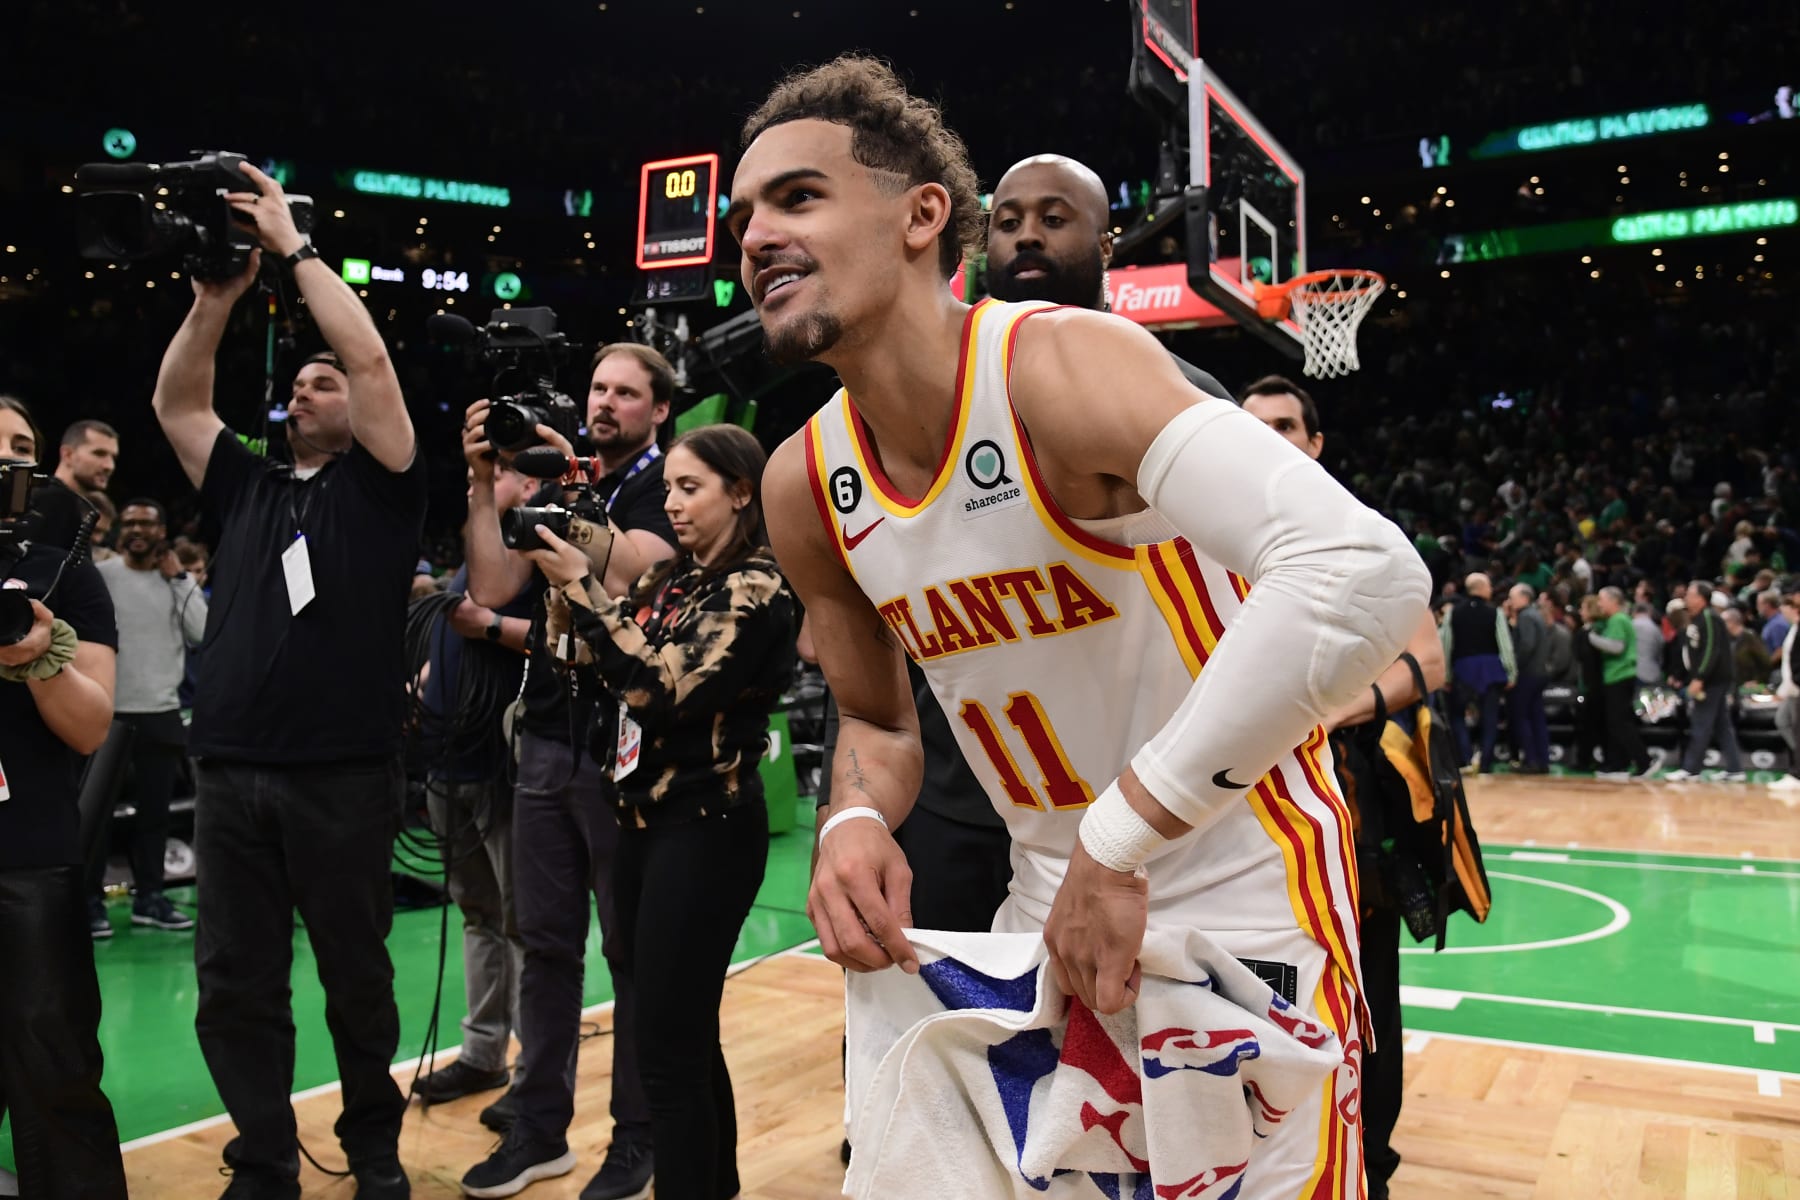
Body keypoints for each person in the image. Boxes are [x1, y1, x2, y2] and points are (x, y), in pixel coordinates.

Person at [732, 55, 1427, 1196]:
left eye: (797, 198)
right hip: (1048, 905)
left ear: (922, 217)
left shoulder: (1056, 366)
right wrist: (851, 817)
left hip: (1246, 897)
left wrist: (1117, 841)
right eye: (745, 217)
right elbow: (878, 720)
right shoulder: (804, 482)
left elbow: (1364, 572)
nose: (757, 236)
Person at [150, 161, 425, 1200]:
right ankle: (263, 1157)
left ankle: (373, 1148)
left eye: (324, 382)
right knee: (234, 984)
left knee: (357, 979)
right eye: (298, 382)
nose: (306, 389)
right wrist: (215, 301)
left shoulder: (386, 487)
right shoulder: (250, 484)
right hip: (228, 771)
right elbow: (177, 401)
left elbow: (371, 358)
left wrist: (295, 251)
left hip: (342, 774)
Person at [524, 424, 796, 1200]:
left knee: (666, 1053)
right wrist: (560, 584)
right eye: (669, 486)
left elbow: (660, 689)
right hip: (643, 824)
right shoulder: (667, 578)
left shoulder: (757, 587)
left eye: (690, 487)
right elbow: (576, 657)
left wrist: (584, 585)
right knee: (683, 1035)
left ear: (740, 493)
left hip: (707, 828)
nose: (672, 503)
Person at [459, 342, 677, 1200]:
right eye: (597, 388)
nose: (605, 403)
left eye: (626, 392)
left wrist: (574, 487)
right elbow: (490, 585)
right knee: (544, 945)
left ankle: (638, 1135)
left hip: (626, 743)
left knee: (628, 951)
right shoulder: (554, 480)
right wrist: (486, 480)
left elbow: (640, 573)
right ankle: (539, 1129)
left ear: (660, 409)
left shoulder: (665, 485)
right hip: (548, 733)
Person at [1242, 377, 1446, 1200]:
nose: (1272, 439)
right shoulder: (1204, 540)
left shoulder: (1361, 533)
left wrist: (1332, 711)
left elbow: (1427, 662)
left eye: (1287, 426)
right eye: (1254, 427)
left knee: (1364, 987)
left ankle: (1370, 1164)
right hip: (1241, 802)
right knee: (1253, 983)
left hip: (1349, 800)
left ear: (1316, 442)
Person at [0, 396, 130, 1198]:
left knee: (56, 1081)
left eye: (19, 444)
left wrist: (38, 658)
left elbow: (90, 728)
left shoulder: (65, 573)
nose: (5, 457)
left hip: (27, 858)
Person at [408, 461, 535, 1109]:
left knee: (522, 923)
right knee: (480, 914)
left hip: (501, 765)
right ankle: (484, 1054)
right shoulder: (475, 555)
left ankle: (536, 1075)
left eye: (499, 471)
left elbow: (566, 643)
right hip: (447, 761)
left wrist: (486, 625)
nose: (476, 478)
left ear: (531, 485)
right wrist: (427, 676)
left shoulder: (536, 550)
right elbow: (452, 630)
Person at [983, 153, 1232, 400]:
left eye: (1053, 219)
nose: (1027, 236)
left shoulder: (1186, 394)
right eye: (1009, 223)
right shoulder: (967, 383)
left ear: (1104, 249)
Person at [90, 498, 207, 934]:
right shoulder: (101, 576)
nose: (138, 530)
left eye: (147, 524)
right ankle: (90, 904)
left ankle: (151, 899)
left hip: (160, 711)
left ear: (162, 532)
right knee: (97, 816)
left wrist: (179, 578)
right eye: (130, 523)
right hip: (107, 711)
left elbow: (203, 632)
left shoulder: (175, 581)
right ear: (120, 530)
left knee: (156, 815)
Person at [1664, 581, 1745, 783]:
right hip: (1712, 679)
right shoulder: (1698, 618)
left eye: (1690, 594)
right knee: (1722, 725)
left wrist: (1700, 678)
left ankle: (1691, 769)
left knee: (1701, 722)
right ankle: (1735, 769)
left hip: (1711, 680)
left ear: (1701, 599)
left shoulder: (1709, 617)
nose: (1686, 598)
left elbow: (1711, 650)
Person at [1439, 573, 1516, 772]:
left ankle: (1465, 758)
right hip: (1490, 670)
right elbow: (1505, 646)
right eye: (1489, 585)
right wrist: (1511, 672)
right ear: (1481, 588)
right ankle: (1485, 763)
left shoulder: (1453, 613)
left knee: (1457, 715)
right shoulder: (1495, 612)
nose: (1491, 589)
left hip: (1462, 669)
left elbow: (1446, 644)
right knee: (1490, 718)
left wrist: (1446, 675)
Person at [1586, 587, 1652, 781]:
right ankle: (1618, 765)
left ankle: (1644, 762)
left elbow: (1616, 647)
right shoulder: (1616, 619)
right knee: (1615, 724)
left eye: (1601, 600)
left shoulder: (1618, 620)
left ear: (1613, 601)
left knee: (1621, 723)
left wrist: (1591, 638)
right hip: (1616, 677)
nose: (1599, 604)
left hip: (1620, 677)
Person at [1503, 583, 1551, 774]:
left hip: (1528, 674)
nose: (1510, 601)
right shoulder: (1536, 615)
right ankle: (1542, 760)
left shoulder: (1525, 616)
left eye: (1512, 597)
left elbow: (1527, 645)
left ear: (1524, 598)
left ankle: (1531, 760)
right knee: (1537, 717)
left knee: (1522, 717)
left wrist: (1513, 668)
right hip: (1539, 673)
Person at [1771, 590, 1799, 794]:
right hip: (1792, 688)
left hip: (1796, 687)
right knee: (1784, 721)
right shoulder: (1794, 628)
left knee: (1791, 725)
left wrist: (1788, 688)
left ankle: (1796, 774)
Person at [54, 419, 119, 496]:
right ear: (68, 455)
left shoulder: (89, 502)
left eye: (113, 458)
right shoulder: (44, 499)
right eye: (99, 454)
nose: (110, 466)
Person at [1723, 606, 1773, 686]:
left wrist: (1758, 681)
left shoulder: (1750, 637)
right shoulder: (1729, 639)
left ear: (1731, 622)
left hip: (1752, 685)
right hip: (1736, 684)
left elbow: (1765, 662)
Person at [1631, 601, 1666, 687]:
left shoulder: (1630, 625)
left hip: (1632, 672)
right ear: (1650, 612)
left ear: (1634, 612)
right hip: (1652, 673)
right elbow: (1661, 649)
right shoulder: (1655, 628)